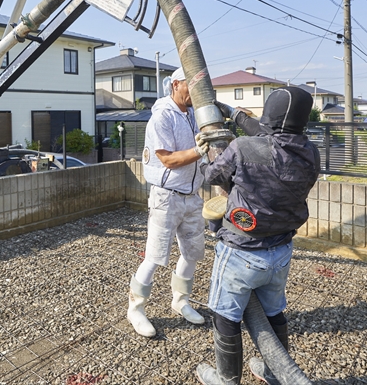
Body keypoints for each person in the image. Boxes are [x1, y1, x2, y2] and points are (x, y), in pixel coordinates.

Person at [194, 87, 320, 385]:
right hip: (281, 251)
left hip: (241, 251)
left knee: (226, 315)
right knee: (274, 312)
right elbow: (274, 138)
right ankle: (274, 373)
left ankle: (226, 379)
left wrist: (203, 154)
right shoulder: (310, 151)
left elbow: (212, 176)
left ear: (271, 114)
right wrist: (235, 115)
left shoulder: (243, 148)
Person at [127, 68, 208, 338]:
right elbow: (168, 160)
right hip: (166, 195)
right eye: (190, 86)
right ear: (175, 85)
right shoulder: (162, 116)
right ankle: (135, 308)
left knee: (192, 252)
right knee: (155, 255)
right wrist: (199, 150)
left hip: (193, 195)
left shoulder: (193, 114)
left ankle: (180, 300)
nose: (195, 92)